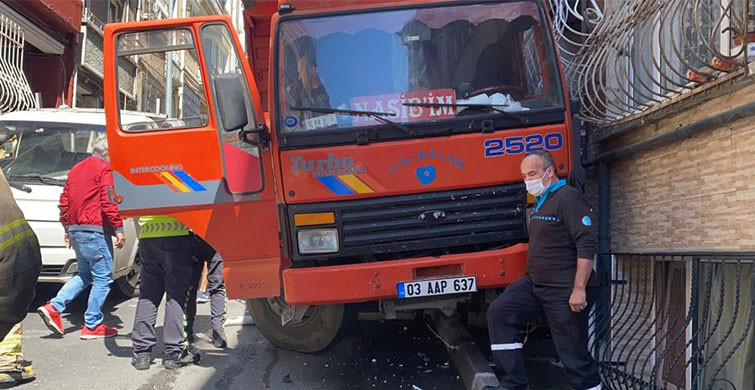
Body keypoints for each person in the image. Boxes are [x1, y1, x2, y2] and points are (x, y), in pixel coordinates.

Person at [486, 150, 602, 390]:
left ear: (549, 172)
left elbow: (587, 243)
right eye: (524, 175)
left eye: (532, 173)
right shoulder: (542, 202)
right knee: (500, 312)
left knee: (572, 353)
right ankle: (513, 384)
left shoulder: (569, 198)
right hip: (536, 284)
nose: (528, 180)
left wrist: (579, 289)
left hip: (564, 289)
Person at [37, 133, 124, 339]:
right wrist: (118, 228)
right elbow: (109, 199)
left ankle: (54, 306)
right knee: (103, 278)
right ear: (109, 152)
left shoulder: (76, 169)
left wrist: (67, 228)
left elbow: (65, 200)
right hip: (95, 230)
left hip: (76, 229)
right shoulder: (104, 169)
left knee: (85, 274)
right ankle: (92, 325)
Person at [131, 216, 201, 370]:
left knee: (148, 295)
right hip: (177, 234)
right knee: (176, 296)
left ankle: (141, 353)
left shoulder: (142, 189)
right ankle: (174, 353)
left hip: (147, 237)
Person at [0, 165, 41, 387]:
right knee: (8, 307)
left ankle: (6, 364)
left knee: (5, 308)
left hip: (10, 257)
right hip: (22, 250)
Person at [186, 237, 227, 349]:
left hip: (193, 237)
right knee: (217, 287)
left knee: (190, 288)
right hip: (215, 236)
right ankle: (218, 332)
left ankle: (187, 332)